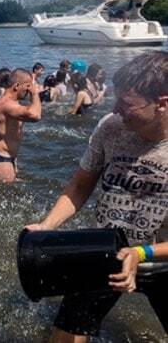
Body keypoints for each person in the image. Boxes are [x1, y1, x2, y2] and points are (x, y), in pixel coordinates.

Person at [25, 51, 168, 342]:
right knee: (65, 337)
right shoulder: (111, 126)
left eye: (127, 105)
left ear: (162, 104)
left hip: (162, 262)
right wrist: (47, 226)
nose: (116, 110)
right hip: (105, 250)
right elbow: (80, 186)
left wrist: (141, 253)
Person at [0, 68, 42, 183]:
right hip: (1, 161)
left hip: (2, 157)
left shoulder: (2, 101)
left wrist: (13, 161)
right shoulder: (7, 105)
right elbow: (36, 115)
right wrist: (35, 94)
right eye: (27, 87)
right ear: (16, 86)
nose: (28, 91)